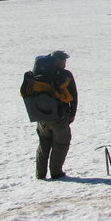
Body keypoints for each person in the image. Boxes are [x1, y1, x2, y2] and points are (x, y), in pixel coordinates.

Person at [35, 50, 78, 180]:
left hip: (41, 116)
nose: (65, 62)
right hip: (59, 116)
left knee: (44, 144)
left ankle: (40, 174)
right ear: (59, 61)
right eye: (64, 60)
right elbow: (73, 96)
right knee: (61, 144)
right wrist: (72, 114)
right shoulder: (65, 75)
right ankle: (56, 173)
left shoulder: (39, 74)